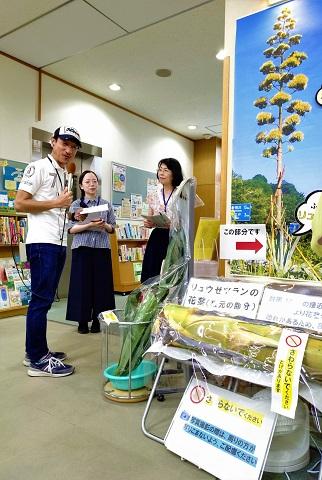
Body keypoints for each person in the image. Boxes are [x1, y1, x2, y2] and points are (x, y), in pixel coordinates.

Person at [15, 126, 81, 377]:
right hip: (42, 243)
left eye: (73, 147)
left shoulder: (64, 172)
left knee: (44, 299)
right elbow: (20, 202)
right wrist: (57, 203)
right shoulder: (39, 167)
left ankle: (34, 351)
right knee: (41, 301)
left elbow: (56, 208)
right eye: (64, 143)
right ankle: (38, 361)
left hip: (58, 242)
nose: (68, 150)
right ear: (52, 142)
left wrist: (70, 212)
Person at [66, 170, 116, 334]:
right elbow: (71, 229)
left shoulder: (106, 204)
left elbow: (112, 228)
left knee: (102, 285)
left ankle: (97, 319)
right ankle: (82, 320)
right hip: (82, 248)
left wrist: (104, 226)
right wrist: (88, 225)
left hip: (102, 248)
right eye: (87, 182)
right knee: (81, 285)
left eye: (94, 181)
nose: (92, 184)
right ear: (81, 185)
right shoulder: (75, 205)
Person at [141, 158, 183, 283]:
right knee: (150, 270)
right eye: (160, 170)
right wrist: (148, 223)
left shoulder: (181, 194)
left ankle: (171, 298)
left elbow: (186, 221)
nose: (161, 173)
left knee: (172, 271)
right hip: (157, 236)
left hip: (175, 237)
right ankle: (149, 298)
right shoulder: (153, 195)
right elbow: (150, 217)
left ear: (174, 173)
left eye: (165, 170)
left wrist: (174, 224)